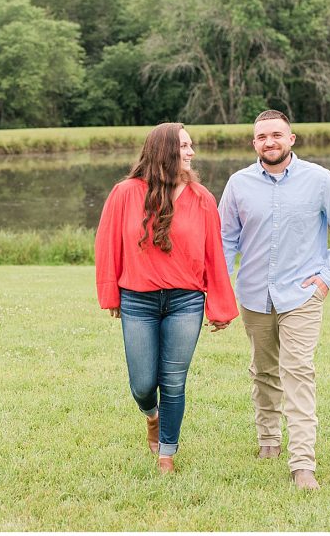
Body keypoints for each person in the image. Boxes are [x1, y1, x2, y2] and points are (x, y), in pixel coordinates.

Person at [218, 110, 330, 490]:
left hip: (301, 295)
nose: (270, 142)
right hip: (253, 295)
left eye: (277, 135)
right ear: (254, 143)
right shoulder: (238, 184)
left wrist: (326, 278)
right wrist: (218, 285)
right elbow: (225, 240)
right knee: (263, 371)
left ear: (291, 139)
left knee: (297, 373)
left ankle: (302, 465)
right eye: (262, 136)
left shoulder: (319, 180)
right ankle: (268, 441)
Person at [95, 122, 239, 474]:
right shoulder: (125, 192)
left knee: (174, 380)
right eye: (185, 146)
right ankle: (152, 415)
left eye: (191, 146)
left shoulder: (202, 198)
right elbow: (107, 244)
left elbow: (213, 256)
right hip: (138, 300)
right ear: (164, 151)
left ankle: (166, 455)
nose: (191, 152)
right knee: (143, 383)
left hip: (185, 301)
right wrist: (110, 293)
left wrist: (220, 306)